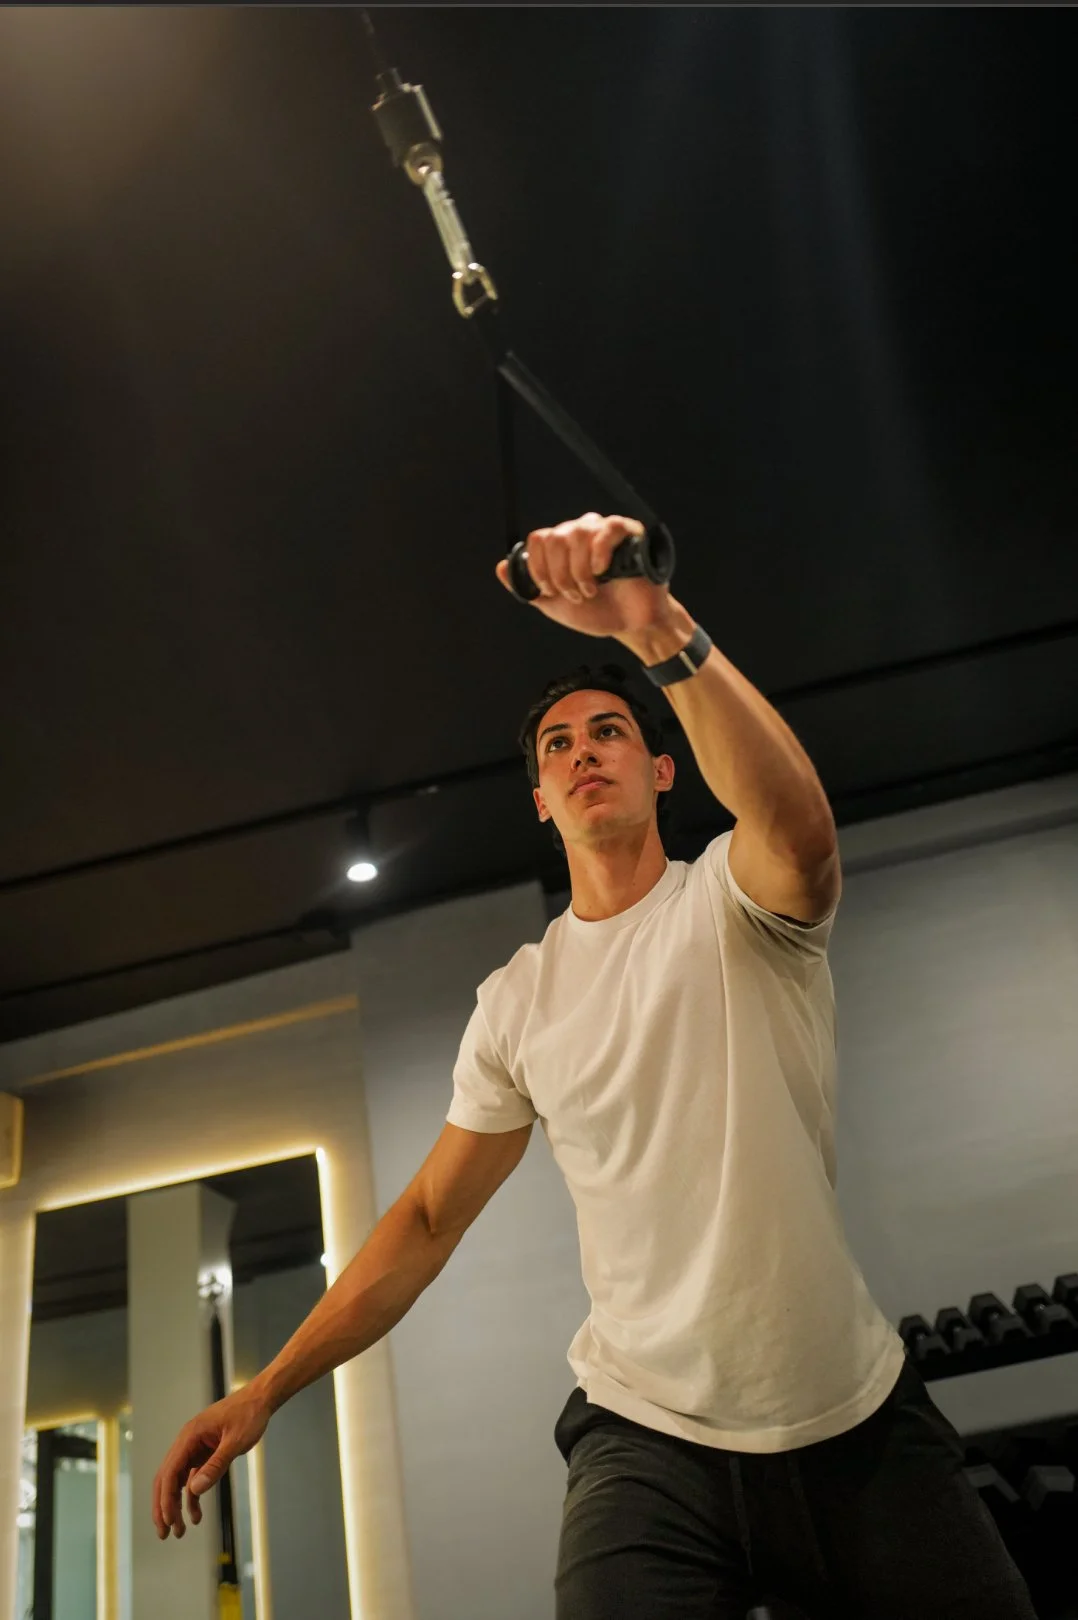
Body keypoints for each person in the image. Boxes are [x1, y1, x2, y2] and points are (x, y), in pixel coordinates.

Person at [152, 514, 1036, 1619]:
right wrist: (266, 1390)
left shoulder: (734, 902)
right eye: (558, 746)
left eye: (609, 731)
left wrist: (655, 628)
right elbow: (425, 1218)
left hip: (854, 1420)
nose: (582, 753)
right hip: (646, 1440)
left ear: (662, 769)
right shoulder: (516, 1002)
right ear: (540, 798)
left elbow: (801, 832)